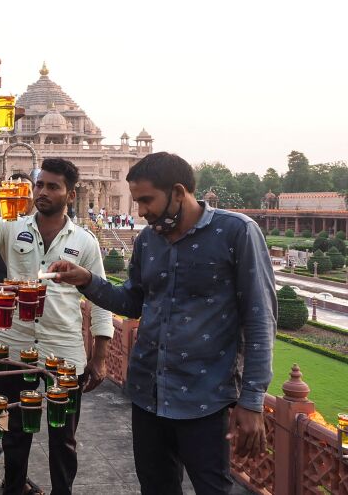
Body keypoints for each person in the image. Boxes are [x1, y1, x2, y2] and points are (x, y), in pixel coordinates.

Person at [49, 152, 276, 494]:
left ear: (179, 192)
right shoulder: (148, 240)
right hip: (147, 393)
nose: (140, 211)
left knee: (212, 488)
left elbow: (260, 320)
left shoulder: (235, 233)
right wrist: (86, 280)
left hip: (205, 396)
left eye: (146, 200)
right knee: (156, 487)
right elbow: (132, 302)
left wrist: (252, 400)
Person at [0, 158, 114, 495]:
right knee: (13, 432)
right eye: (39, 184)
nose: (42, 192)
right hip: (12, 345)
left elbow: (100, 301)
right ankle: (13, 489)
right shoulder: (12, 227)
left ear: (70, 194)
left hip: (64, 349)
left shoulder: (84, 242)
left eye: (53, 186)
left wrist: (99, 356)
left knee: (63, 438)